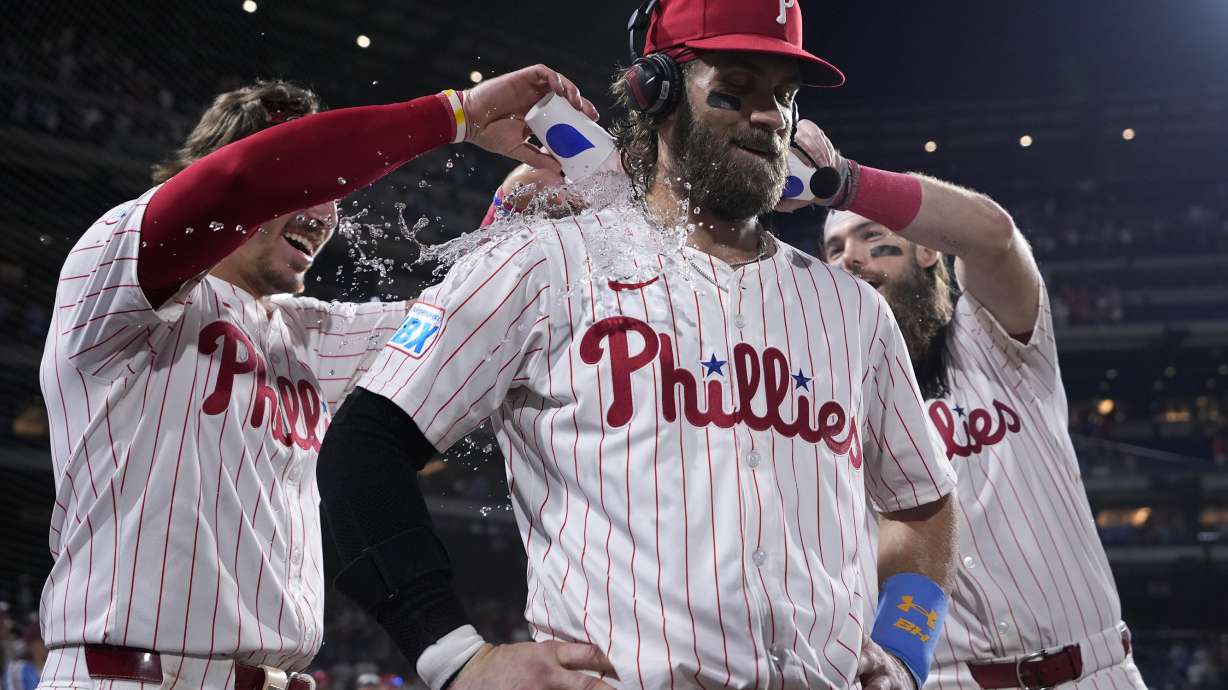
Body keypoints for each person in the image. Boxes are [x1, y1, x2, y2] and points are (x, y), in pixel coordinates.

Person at [317, 1, 961, 688]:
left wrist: (904, 650)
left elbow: (923, 502)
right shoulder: (545, 265)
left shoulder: (851, 307)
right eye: (736, 90)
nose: (772, 117)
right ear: (656, 92)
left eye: (785, 98)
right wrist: (456, 658)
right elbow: (362, 450)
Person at [37, 64, 596, 690]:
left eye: (335, 194)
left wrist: (509, 214)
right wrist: (457, 113)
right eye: (312, 185)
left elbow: (459, 324)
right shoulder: (114, 274)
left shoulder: (305, 333)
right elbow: (244, 179)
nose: (326, 212)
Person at [807, 121, 1148, 686]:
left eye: (872, 236)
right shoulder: (828, 397)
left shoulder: (988, 336)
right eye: (835, 248)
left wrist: (845, 182)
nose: (850, 257)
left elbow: (992, 234)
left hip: (1092, 670)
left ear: (924, 251)